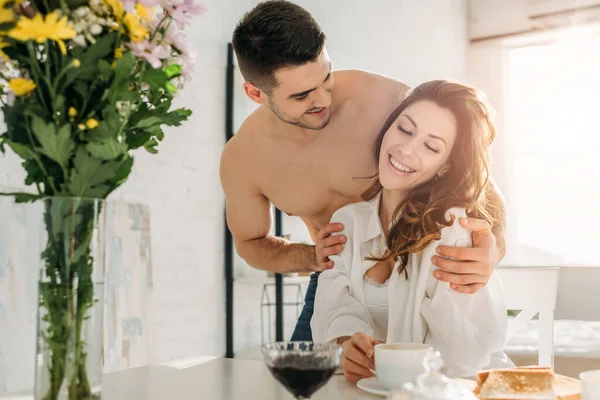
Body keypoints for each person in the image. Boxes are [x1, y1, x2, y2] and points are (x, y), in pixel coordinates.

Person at [220, 0, 507, 342]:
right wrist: (311, 256)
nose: (324, 99)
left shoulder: (384, 99)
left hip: (420, 269)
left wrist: (494, 248)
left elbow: (475, 180)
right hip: (338, 280)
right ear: (256, 93)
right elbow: (251, 244)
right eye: (302, 96)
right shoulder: (243, 159)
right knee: (306, 388)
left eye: (326, 78)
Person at [311, 80, 508, 381]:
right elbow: (333, 309)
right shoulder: (347, 222)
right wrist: (346, 346)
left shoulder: (451, 232)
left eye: (431, 146)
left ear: (444, 166)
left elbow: (463, 355)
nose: (406, 149)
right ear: (388, 128)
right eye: (404, 129)